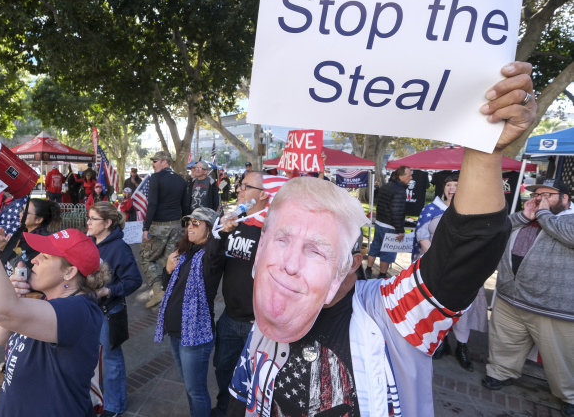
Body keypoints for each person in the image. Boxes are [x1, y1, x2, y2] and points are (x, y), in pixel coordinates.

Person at [226, 62, 536, 417]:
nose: (288, 266)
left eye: (316, 249)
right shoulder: (269, 310)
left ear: (351, 264)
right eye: (282, 240)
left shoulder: (388, 315)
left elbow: (466, 251)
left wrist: (485, 152)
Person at [0, 175, 110, 416]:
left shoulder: (80, 311)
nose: (34, 259)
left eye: (45, 257)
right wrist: (14, 297)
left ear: (69, 272)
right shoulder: (44, 299)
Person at [483, 179, 574, 416]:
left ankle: (569, 396)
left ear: (565, 199)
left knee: (562, 356)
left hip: (551, 306)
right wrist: (524, 216)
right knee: (504, 341)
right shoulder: (528, 216)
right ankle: (500, 373)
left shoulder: (568, 219)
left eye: (548, 195)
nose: (539, 198)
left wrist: (543, 213)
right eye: (537, 194)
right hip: (510, 297)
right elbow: (496, 230)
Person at [0, 197, 62, 398]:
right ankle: (4, 379)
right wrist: (4, 247)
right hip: (14, 299)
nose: (19, 212)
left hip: (28, 304)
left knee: (20, 346)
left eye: (25, 210)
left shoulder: (43, 242)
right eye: (22, 208)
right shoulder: (22, 235)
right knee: (9, 343)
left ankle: (12, 384)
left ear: (39, 219)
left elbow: (29, 273)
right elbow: (14, 263)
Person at [154, 207, 225, 417]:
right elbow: (170, 288)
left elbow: (216, 249)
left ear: (210, 229)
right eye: (189, 222)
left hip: (195, 336)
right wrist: (167, 269)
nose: (190, 227)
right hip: (176, 333)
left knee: (196, 391)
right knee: (189, 386)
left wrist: (223, 233)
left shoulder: (210, 257)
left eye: (197, 223)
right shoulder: (185, 252)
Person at [415, 176, 488, 371]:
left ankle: (462, 347)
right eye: (449, 185)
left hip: (466, 269)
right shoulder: (431, 210)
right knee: (438, 306)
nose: (452, 188)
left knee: (463, 309)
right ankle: (442, 342)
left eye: (457, 185)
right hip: (436, 268)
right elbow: (422, 236)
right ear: (444, 189)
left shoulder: (475, 212)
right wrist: (438, 262)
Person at [213, 171, 270, 417]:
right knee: (222, 371)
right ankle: (224, 410)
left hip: (257, 324)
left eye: (245, 186)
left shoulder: (272, 229)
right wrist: (222, 232)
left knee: (255, 381)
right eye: (240, 185)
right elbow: (213, 260)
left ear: (263, 194)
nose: (238, 190)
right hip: (228, 318)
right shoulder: (235, 221)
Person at [87, 201, 143, 417]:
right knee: (93, 358)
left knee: (110, 359)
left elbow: (134, 281)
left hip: (108, 312)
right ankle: (98, 397)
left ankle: (114, 405)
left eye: (93, 219)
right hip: (90, 310)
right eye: (89, 217)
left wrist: (107, 292)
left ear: (108, 223)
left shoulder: (119, 248)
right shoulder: (90, 241)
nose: (88, 222)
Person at [141, 150, 189, 308]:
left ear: (163, 161)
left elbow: (152, 203)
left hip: (159, 226)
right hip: (175, 225)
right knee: (170, 259)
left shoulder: (156, 177)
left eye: (154, 161)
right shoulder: (180, 180)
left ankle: (158, 293)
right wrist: (184, 228)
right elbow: (186, 206)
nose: (153, 164)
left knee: (147, 258)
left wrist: (146, 227)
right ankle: (174, 294)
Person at [366, 165, 412, 279]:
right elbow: (396, 212)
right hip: (390, 227)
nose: (411, 178)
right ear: (401, 176)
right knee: (387, 252)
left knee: (375, 246)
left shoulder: (386, 186)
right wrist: (400, 230)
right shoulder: (399, 191)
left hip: (379, 223)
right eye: (409, 175)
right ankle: (382, 276)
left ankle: (368, 269)